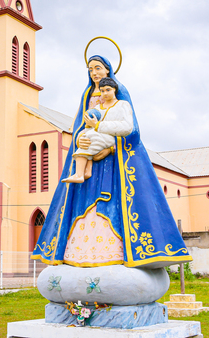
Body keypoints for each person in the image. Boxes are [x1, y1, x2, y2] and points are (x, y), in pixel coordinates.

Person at [31, 55, 191, 269]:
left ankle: (121, 254)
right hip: (90, 153)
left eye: (98, 68)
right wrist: (83, 137)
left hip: (115, 162)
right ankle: (77, 254)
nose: (94, 73)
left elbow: (132, 129)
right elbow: (80, 123)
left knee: (115, 203)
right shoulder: (87, 94)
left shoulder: (120, 92)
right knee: (82, 200)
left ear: (108, 70)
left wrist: (109, 146)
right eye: (90, 69)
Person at [62, 77, 133, 183]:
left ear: (115, 89)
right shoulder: (98, 108)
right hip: (99, 138)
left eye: (108, 90)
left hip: (112, 143)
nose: (105, 93)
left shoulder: (123, 105)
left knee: (92, 137)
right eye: (102, 91)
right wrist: (81, 136)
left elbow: (127, 127)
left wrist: (98, 125)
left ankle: (79, 174)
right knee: (87, 137)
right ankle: (86, 171)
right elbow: (90, 126)